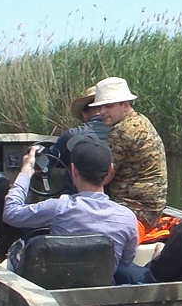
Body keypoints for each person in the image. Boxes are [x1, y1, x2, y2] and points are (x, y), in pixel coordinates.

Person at [2, 136, 140, 284]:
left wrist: (26, 172)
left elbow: (11, 213)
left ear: (73, 170)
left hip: (55, 288)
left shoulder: (60, 207)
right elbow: (124, 262)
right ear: (110, 170)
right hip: (100, 291)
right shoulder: (127, 218)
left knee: (17, 250)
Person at [67, 76, 167, 224]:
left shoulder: (122, 132)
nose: (102, 111)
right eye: (99, 107)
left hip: (136, 211)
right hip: (151, 208)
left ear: (125, 105)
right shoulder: (141, 120)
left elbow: (103, 177)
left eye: (108, 106)